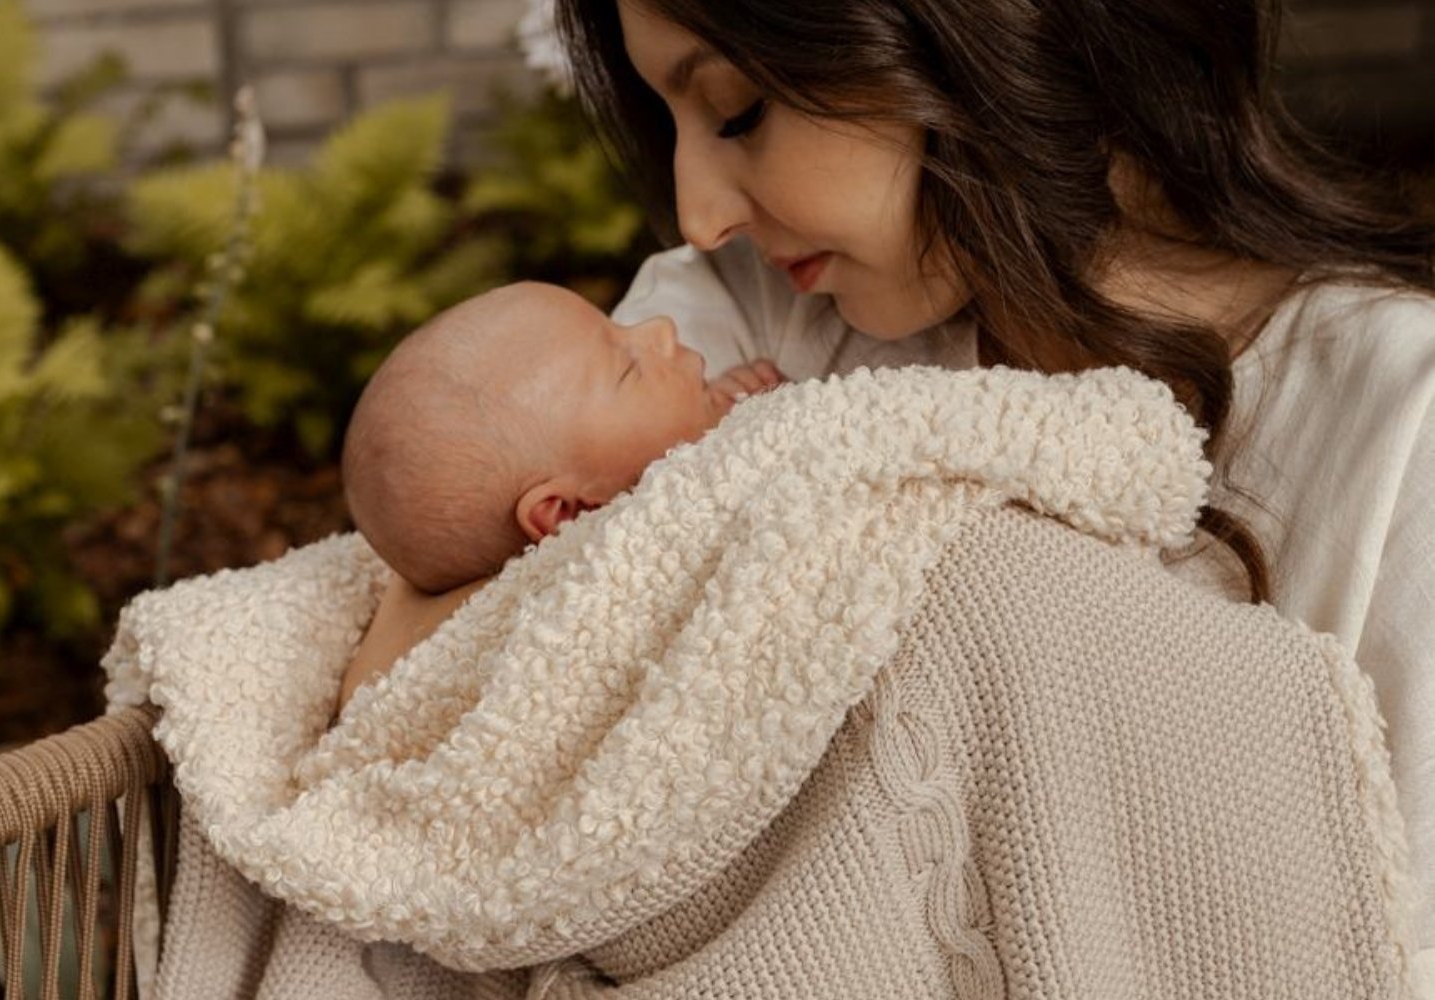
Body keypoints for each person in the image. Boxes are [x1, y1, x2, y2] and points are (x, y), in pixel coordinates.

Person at [550, 0, 1435, 973]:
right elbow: (485, 673)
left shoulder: (1400, 432)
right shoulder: (733, 335)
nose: (699, 213)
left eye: (736, 108)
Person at [337, 280, 782, 706]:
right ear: (564, 513)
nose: (660, 327)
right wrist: (732, 435)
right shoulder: (561, 619)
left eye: (618, 326)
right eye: (629, 370)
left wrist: (712, 415)